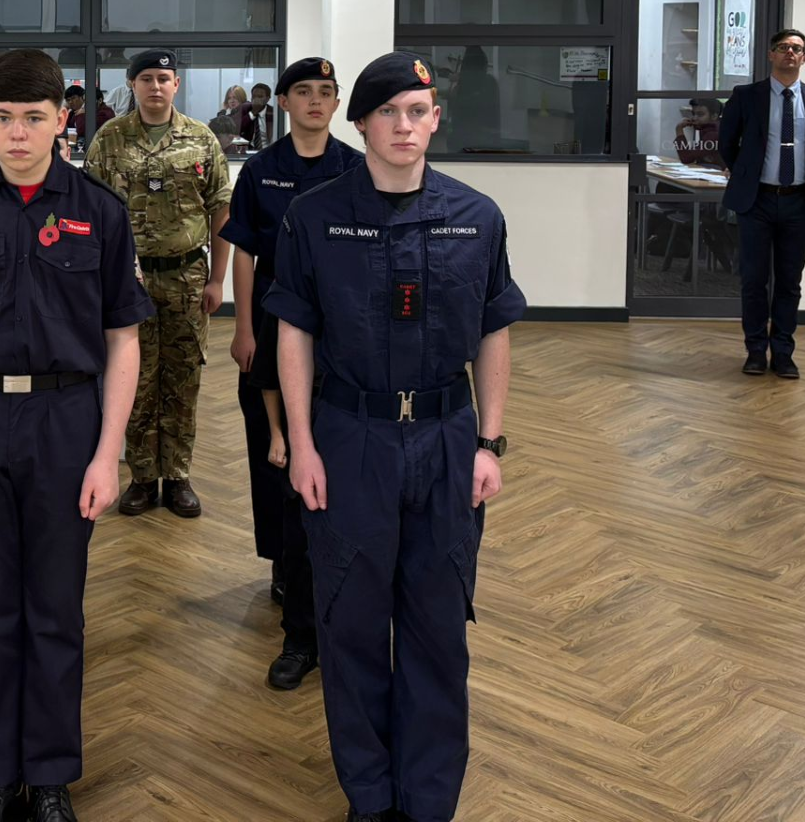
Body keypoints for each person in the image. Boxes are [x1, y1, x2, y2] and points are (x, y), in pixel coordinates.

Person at [265, 51, 523, 822]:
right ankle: (370, 799)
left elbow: (494, 332)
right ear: (361, 123)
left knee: (438, 632)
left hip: (446, 440)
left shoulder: (476, 216)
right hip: (351, 441)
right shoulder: (313, 218)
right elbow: (294, 336)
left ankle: (428, 800)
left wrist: (491, 443)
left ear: (435, 117)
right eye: (388, 113)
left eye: (418, 110)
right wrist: (302, 444)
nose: (404, 126)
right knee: (350, 629)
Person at [0, 49, 151, 822]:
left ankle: (48, 774)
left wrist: (108, 454)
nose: (16, 135)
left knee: (55, 607)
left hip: (64, 422)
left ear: (62, 118)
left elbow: (123, 340)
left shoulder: (100, 210)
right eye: (2, 118)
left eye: (33, 119)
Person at [219, 57, 361, 692]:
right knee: (271, 451)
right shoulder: (262, 169)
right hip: (274, 315)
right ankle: (283, 562)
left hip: (335, 327)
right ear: (282, 101)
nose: (314, 101)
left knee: (333, 455)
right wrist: (244, 327)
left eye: (325, 93)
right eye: (303, 91)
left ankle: (327, 576)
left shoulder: (353, 168)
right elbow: (246, 252)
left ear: (335, 105)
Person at [87, 49, 232, 519]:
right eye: (146, 78)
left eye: (164, 78)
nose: (155, 86)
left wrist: (218, 280)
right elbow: (90, 214)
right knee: (135, 379)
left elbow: (221, 213)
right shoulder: (109, 140)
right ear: (131, 85)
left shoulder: (201, 140)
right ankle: (144, 477)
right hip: (128, 279)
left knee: (184, 376)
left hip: (187, 275)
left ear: (176, 85)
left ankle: (180, 475)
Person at [719, 29, 805, 380]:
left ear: (804, 58)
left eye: (797, 49)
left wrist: (801, 180)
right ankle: (756, 351)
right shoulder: (746, 96)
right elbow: (728, 143)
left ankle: (783, 353)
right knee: (754, 280)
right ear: (771, 54)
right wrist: (746, 174)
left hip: (798, 203)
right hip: (756, 201)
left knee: (789, 282)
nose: (790, 53)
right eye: (783, 47)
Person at [674, 96, 723, 167]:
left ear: (714, 116)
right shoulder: (706, 129)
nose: (694, 118)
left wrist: (679, 129)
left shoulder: (713, 134)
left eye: (700, 114)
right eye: (693, 114)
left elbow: (686, 158)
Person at [248, 81, 277, 148]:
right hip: (248, 152)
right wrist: (253, 112)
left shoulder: (274, 113)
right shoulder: (246, 112)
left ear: (267, 99)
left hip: (268, 151)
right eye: (254, 96)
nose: (256, 99)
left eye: (260, 97)